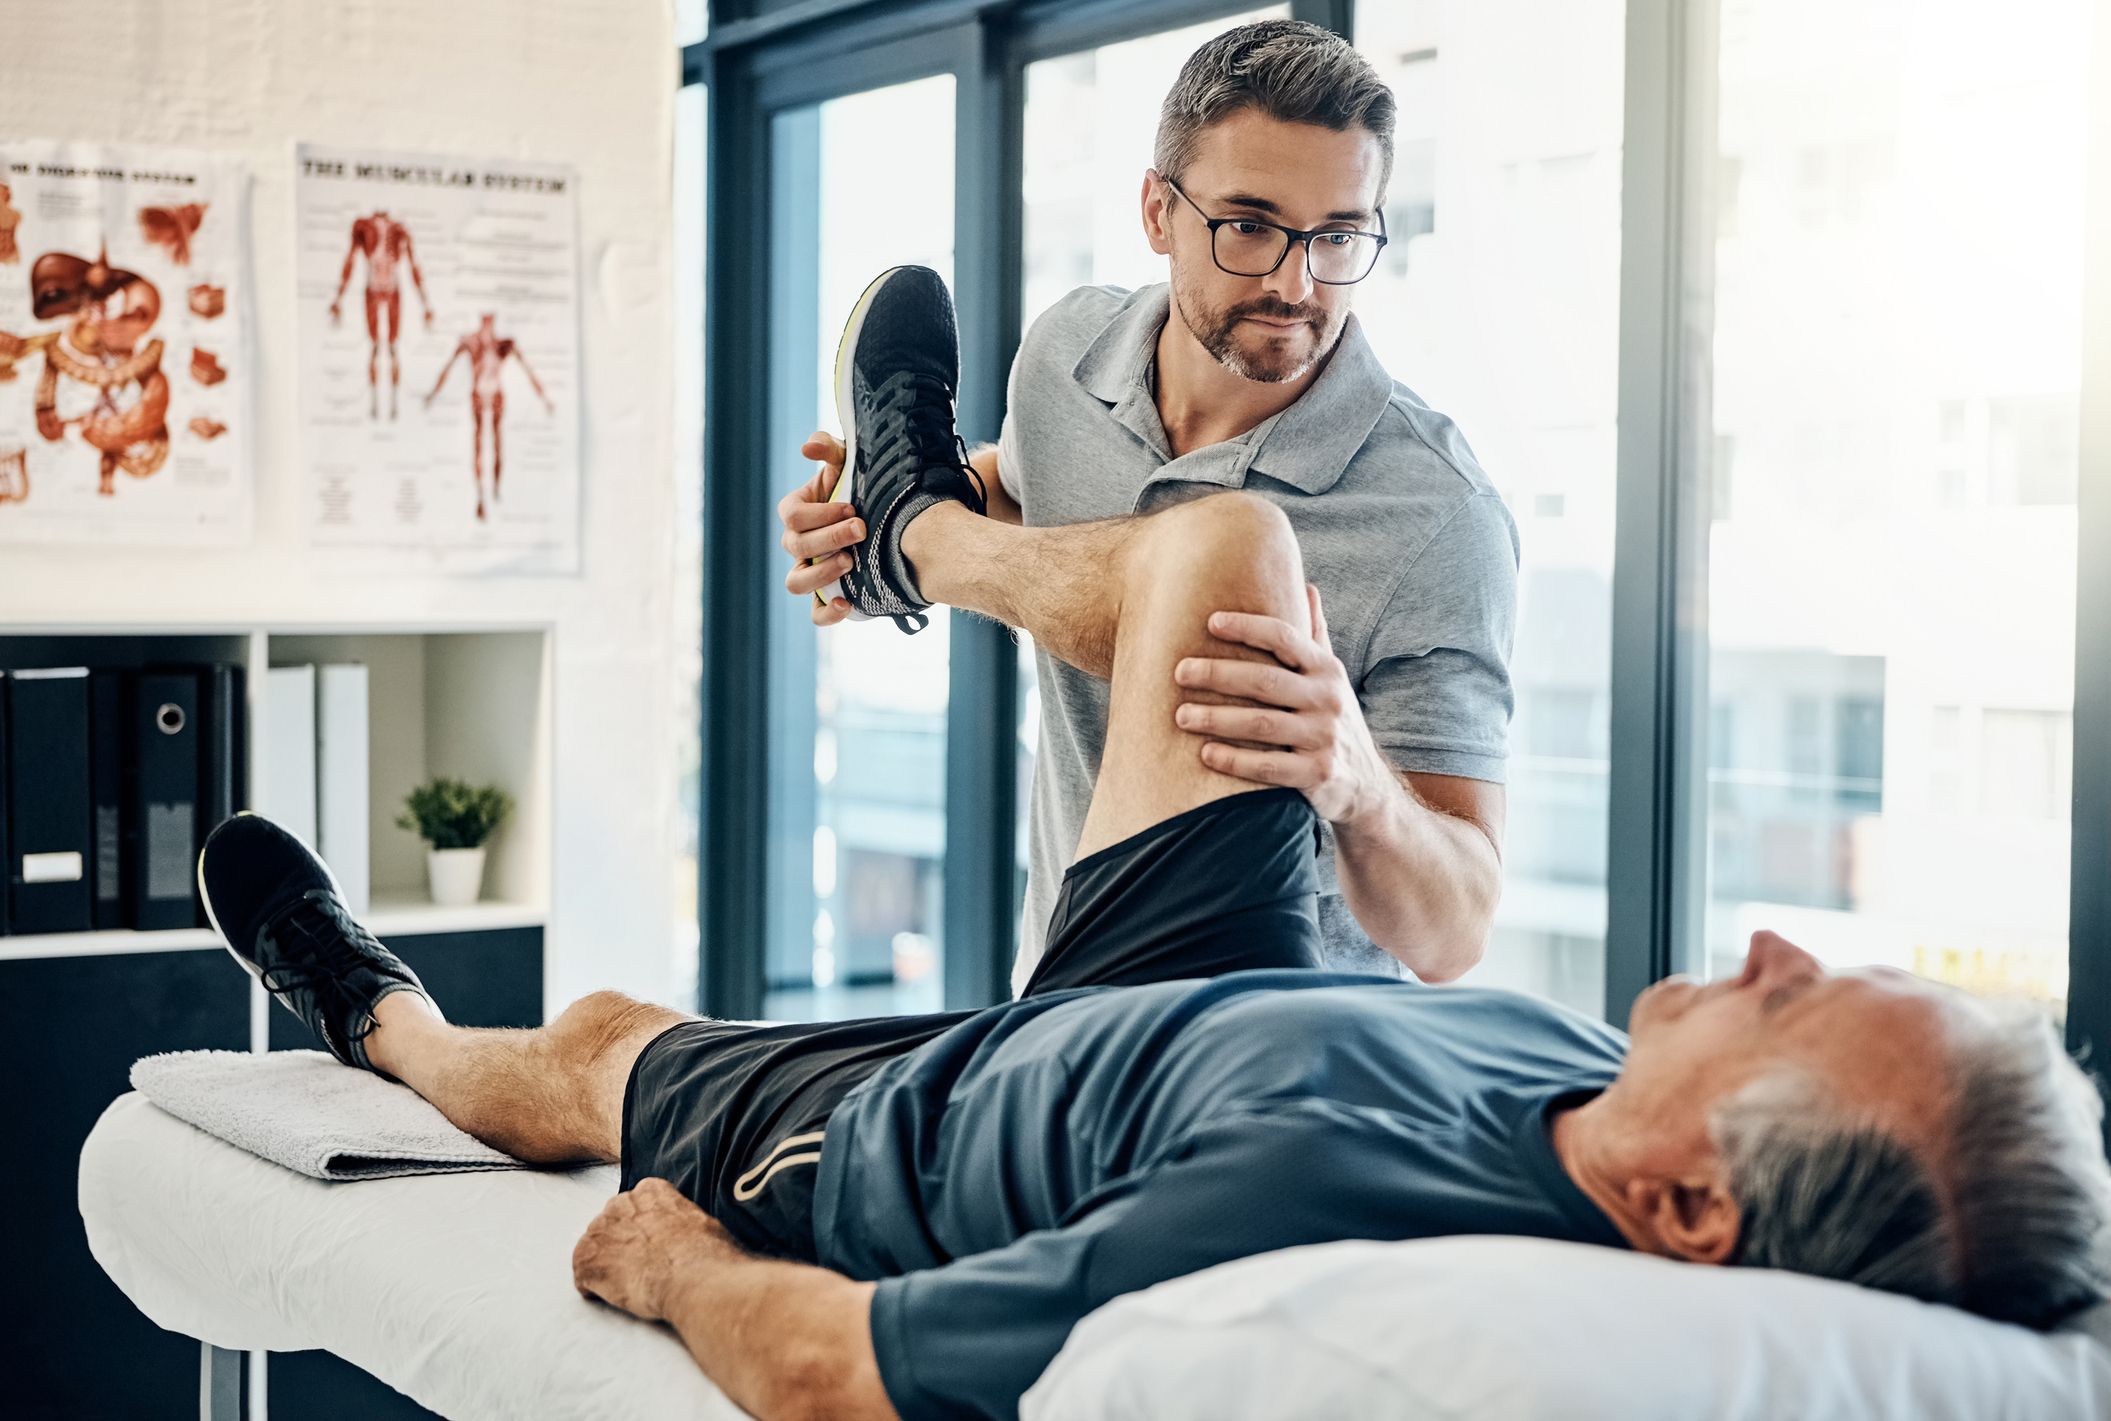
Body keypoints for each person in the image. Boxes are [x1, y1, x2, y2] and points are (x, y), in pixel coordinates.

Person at [199, 427, 2111, 1419]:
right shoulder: (1610, 1089)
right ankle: (916, 533)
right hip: (1196, 987)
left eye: (1801, 1006)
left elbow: (836, 1373)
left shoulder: (1310, 1236)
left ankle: (371, 1005)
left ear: (1695, 1211)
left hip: (926, 1130)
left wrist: (675, 1269)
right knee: (1229, 549)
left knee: (597, 1037)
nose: (1777, 945)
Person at [780, 19, 1515, 991]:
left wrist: (1357, 782)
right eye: (1248, 225)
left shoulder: (1435, 512)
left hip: (1271, 1058)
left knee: (1224, 554)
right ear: (1155, 212)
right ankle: (913, 529)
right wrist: (860, 532)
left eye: (1337, 235)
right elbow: (1025, 496)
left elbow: (1454, 935)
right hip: (1052, 1005)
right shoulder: (1064, 359)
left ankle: (923, 537)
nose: (1295, 284)